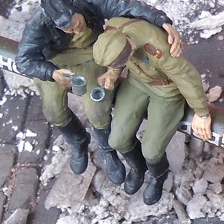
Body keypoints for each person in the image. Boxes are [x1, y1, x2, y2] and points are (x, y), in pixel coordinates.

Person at [15, 0, 185, 184]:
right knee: (53, 111)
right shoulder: (39, 24)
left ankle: (107, 150)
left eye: (78, 24)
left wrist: (162, 21)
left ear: (77, 10)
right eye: (69, 30)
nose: (76, 30)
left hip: (90, 55)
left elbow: (126, 6)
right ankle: (78, 141)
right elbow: (23, 60)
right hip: (55, 62)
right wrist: (50, 72)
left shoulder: (87, 0)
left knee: (97, 108)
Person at [92, 17, 214, 205]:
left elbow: (187, 77)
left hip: (166, 91)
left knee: (151, 150)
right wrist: (112, 72)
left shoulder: (158, 48)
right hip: (136, 82)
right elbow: (116, 58)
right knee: (116, 139)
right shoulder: (113, 29)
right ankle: (138, 168)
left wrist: (201, 112)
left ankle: (159, 175)